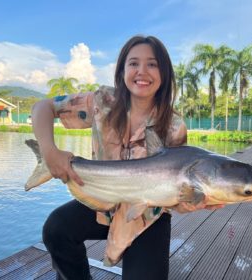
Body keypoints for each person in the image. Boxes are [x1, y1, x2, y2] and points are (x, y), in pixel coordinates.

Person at [31, 35, 223, 280]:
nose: (142, 71)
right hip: (103, 200)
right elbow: (42, 108)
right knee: (56, 228)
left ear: (164, 73)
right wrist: (50, 152)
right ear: (122, 70)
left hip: (148, 217)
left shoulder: (174, 125)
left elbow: (176, 192)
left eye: (152, 64)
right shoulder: (101, 102)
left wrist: (189, 201)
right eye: (133, 63)